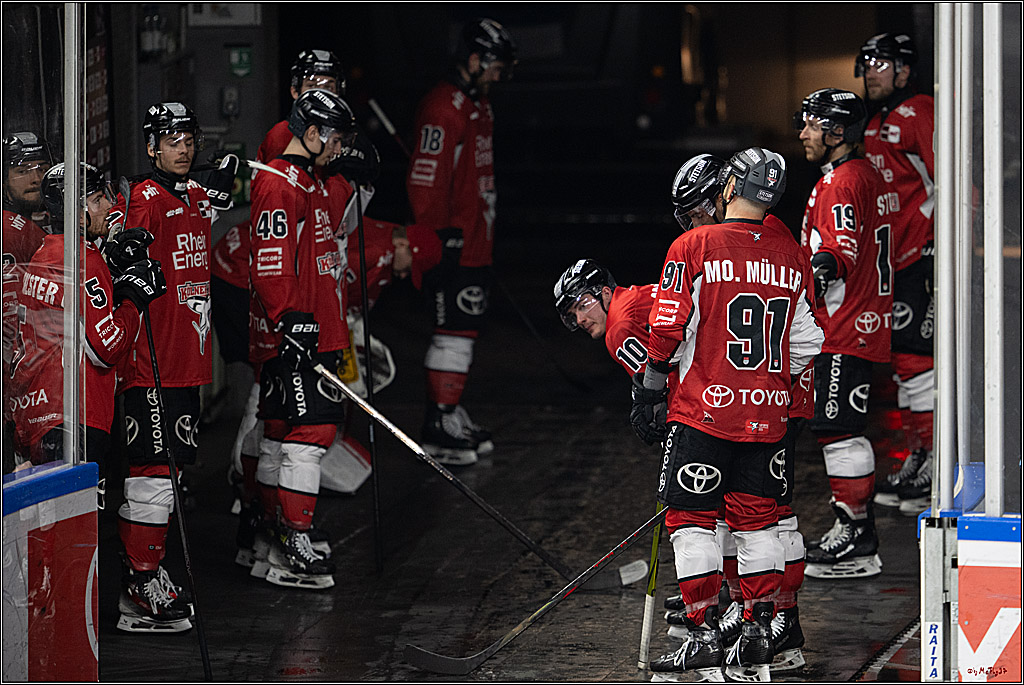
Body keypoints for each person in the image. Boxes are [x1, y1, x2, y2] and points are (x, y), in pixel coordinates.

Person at [631, 147, 823, 682]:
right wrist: (769, 379)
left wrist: (650, 388)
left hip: (704, 414)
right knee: (759, 524)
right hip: (768, 415)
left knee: (690, 522)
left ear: (728, 187)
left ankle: (703, 633)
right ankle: (761, 630)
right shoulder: (791, 254)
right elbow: (810, 338)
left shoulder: (693, 245)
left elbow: (667, 327)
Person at [11, 162, 172, 630]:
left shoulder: (45, 252)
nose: (108, 206)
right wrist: (135, 300)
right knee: (79, 540)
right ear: (77, 211)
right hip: (80, 417)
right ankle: (73, 647)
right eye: (99, 199)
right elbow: (107, 347)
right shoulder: (85, 259)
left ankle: (41, 632)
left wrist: (117, 282)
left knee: (47, 535)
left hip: (37, 417)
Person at [108, 102, 229, 625]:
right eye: (170, 137)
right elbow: (121, 254)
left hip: (187, 360)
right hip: (150, 361)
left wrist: (226, 180)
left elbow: (210, 200)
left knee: (171, 472)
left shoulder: (193, 194)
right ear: (152, 145)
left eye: (189, 136)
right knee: (151, 474)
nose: (183, 145)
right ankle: (139, 582)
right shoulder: (144, 198)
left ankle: (150, 570)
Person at [247, 88, 356, 589]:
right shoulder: (279, 184)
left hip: (309, 328)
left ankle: (271, 540)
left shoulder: (309, 180)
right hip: (299, 333)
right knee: (309, 436)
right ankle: (294, 541)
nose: (339, 149)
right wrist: (290, 317)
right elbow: (270, 261)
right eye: (334, 139)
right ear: (310, 134)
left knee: (277, 434)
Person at [406, 17, 518, 465]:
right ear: (474, 59)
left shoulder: (477, 105)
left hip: (475, 239)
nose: (499, 75)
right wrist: (438, 238)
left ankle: (449, 410)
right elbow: (425, 178)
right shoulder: (444, 107)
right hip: (453, 241)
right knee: (453, 330)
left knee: (465, 329)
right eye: (495, 65)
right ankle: (438, 423)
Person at [793, 88, 893, 580]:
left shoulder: (841, 181)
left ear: (836, 131)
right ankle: (857, 531)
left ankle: (855, 534)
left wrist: (811, 275)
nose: (803, 133)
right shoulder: (865, 173)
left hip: (843, 326)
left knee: (838, 428)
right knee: (839, 428)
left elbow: (839, 250)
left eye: (811, 125)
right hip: (859, 318)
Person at [856, 33, 935, 514]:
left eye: (879, 63)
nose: (869, 71)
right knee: (905, 364)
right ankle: (919, 458)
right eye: (865, 63)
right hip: (892, 260)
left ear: (904, 70)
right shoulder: (875, 120)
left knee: (916, 360)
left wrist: (944, 248)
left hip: (921, 256)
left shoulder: (920, 110)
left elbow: (954, 180)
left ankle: (930, 462)